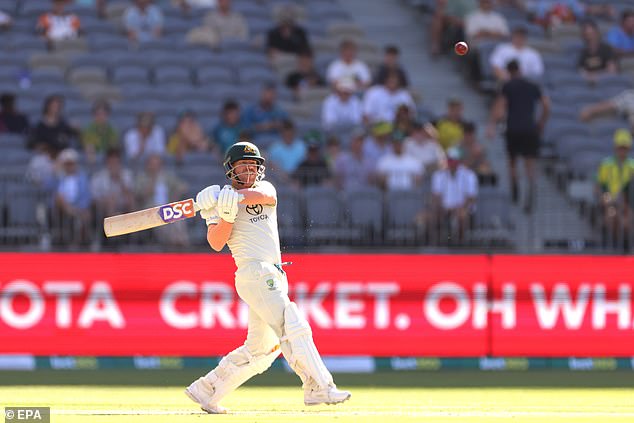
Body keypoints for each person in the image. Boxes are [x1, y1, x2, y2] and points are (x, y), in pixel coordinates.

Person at [186, 141, 351, 413]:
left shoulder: (264, 188)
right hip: (254, 272)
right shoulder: (220, 202)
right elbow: (216, 242)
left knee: (263, 351)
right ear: (231, 169)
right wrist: (223, 214)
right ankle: (318, 386)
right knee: (292, 322)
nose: (250, 172)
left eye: (254, 166)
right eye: (244, 166)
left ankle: (207, 390)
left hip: (272, 273)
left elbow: (264, 198)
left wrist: (226, 200)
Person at [487, 60, 550, 213]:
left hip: (513, 128)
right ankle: (530, 190)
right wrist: (541, 122)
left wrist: (492, 125)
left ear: (509, 71)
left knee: (512, 161)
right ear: (520, 70)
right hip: (530, 128)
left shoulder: (507, 86)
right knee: (529, 163)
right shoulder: (532, 86)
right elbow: (547, 105)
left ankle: (515, 189)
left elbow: (501, 106)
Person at [135, 154, 189, 246]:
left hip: (168, 208)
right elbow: (138, 196)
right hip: (151, 211)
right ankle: (173, 244)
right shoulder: (142, 178)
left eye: (157, 164)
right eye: (153, 164)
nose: (155, 167)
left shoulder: (166, 177)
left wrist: (175, 195)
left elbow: (184, 187)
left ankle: (182, 243)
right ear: (148, 165)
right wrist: (152, 182)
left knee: (179, 219)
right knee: (163, 220)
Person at [430, 147, 478, 244]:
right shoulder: (439, 175)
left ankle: (459, 245)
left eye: (455, 160)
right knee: (431, 216)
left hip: (462, 209)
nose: (452, 163)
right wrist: (442, 207)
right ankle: (438, 244)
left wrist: (458, 208)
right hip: (444, 208)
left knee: (461, 216)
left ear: (460, 161)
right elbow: (436, 196)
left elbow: (471, 198)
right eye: (450, 160)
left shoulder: (469, 175)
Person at [596, 129, 634, 250]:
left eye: (625, 148)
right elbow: (600, 186)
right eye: (620, 147)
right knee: (611, 215)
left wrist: (624, 201)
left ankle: (625, 248)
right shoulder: (606, 164)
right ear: (615, 148)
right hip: (610, 201)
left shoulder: (632, 165)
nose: (622, 151)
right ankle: (613, 248)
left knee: (627, 219)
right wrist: (606, 198)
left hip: (627, 202)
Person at [52, 148, 92, 246]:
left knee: (86, 214)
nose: (69, 167)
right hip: (62, 209)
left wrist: (79, 209)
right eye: (67, 164)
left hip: (78, 207)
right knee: (59, 198)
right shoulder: (58, 178)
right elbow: (50, 191)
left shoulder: (82, 178)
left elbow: (85, 196)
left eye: (71, 164)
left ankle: (83, 241)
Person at [91, 148, 134, 220]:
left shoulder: (126, 174)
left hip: (124, 204)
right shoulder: (99, 177)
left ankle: (134, 229)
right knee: (111, 202)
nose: (114, 165)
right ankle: (114, 228)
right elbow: (95, 198)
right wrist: (106, 200)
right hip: (105, 206)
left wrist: (120, 180)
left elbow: (130, 193)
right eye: (111, 162)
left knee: (131, 200)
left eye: (116, 162)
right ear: (107, 162)